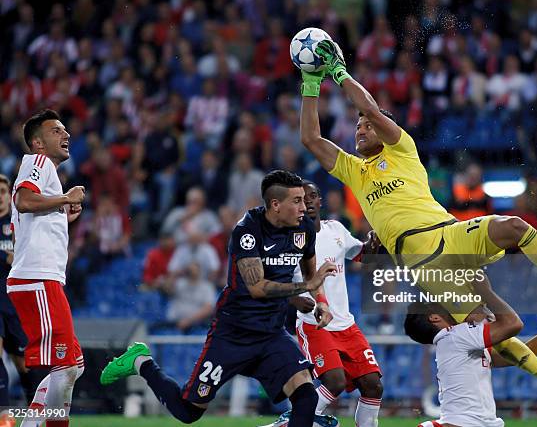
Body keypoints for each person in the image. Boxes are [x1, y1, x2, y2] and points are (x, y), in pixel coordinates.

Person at [298, 38, 537, 403]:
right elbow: (310, 138)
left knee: (515, 227)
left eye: (367, 125)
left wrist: (339, 73)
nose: (361, 129)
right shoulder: (353, 170)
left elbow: (372, 107)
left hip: (449, 233)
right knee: (491, 330)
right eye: (358, 126)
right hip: (421, 265)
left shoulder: (402, 150)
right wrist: (311, 83)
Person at [100, 170, 337, 427]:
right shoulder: (247, 231)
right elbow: (257, 287)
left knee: (306, 396)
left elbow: (310, 274)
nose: (306, 207)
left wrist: (320, 301)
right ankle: (141, 361)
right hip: (233, 334)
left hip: (271, 333)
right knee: (188, 411)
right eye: (297, 201)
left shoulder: (304, 229)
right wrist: (304, 287)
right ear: (276, 205)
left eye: (304, 199)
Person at [272, 181, 384, 427]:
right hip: (315, 324)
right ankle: (293, 420)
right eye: (300, 198)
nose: (307, 202)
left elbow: (362, 254)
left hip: (346, 324)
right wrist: (294, 299)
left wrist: (374, 243)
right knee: (335, 381)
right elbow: (275, 286)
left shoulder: (336, 229)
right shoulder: (287, 241)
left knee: (373, 385)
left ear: (320, 201)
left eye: (312, 196)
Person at [406, 284, 537, 427]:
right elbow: (513, 323)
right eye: (437, 304)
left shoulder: (454, 342)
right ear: (434, 317)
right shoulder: (455, 336)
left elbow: (522, 355)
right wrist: (485, 291)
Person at [8, 109, 86, 427]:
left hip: (40, 279)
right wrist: (65, 197)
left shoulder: (46, 172)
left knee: (74, 364)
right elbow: (24, 201)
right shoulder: (37, 162)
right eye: (56, 131)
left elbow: (30, 215)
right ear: (38, 143)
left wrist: (63, 209)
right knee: (65, 367)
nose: (65, 134)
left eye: (65, 129)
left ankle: (30, 424)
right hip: (37, 278)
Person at [0, 174, 41, 406]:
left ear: (9, 196)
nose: (0, 197)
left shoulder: (19, 223)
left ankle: (35, 410)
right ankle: (3, 413)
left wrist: (19, 257)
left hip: (16, 302)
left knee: (24, 364)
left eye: (3, 192)